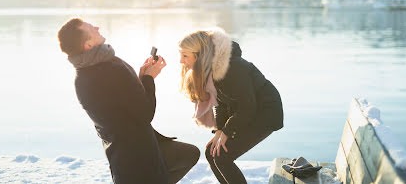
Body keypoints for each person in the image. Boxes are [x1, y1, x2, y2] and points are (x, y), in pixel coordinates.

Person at [57, 18, 200, 184]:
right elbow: (145, 113)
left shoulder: (82, 77)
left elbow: (120, 105)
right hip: (139, 153)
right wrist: (148, 78)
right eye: (91, 28)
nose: (97, 27)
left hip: (120, 155)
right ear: (88, 45)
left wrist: (140, 79)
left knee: (188, 154)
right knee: (188, 154)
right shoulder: (111, 69)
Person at [178, 28, 284, 184]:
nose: (181, 61)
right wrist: (220, 130)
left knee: (221, 156)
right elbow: (220, 103)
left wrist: (227, 132)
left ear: (199, 55)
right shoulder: (210, 69)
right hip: (246, 111)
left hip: (265, 113)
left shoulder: (231, 68)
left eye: (185, 56)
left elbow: (247, 107)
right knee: (211, 152)